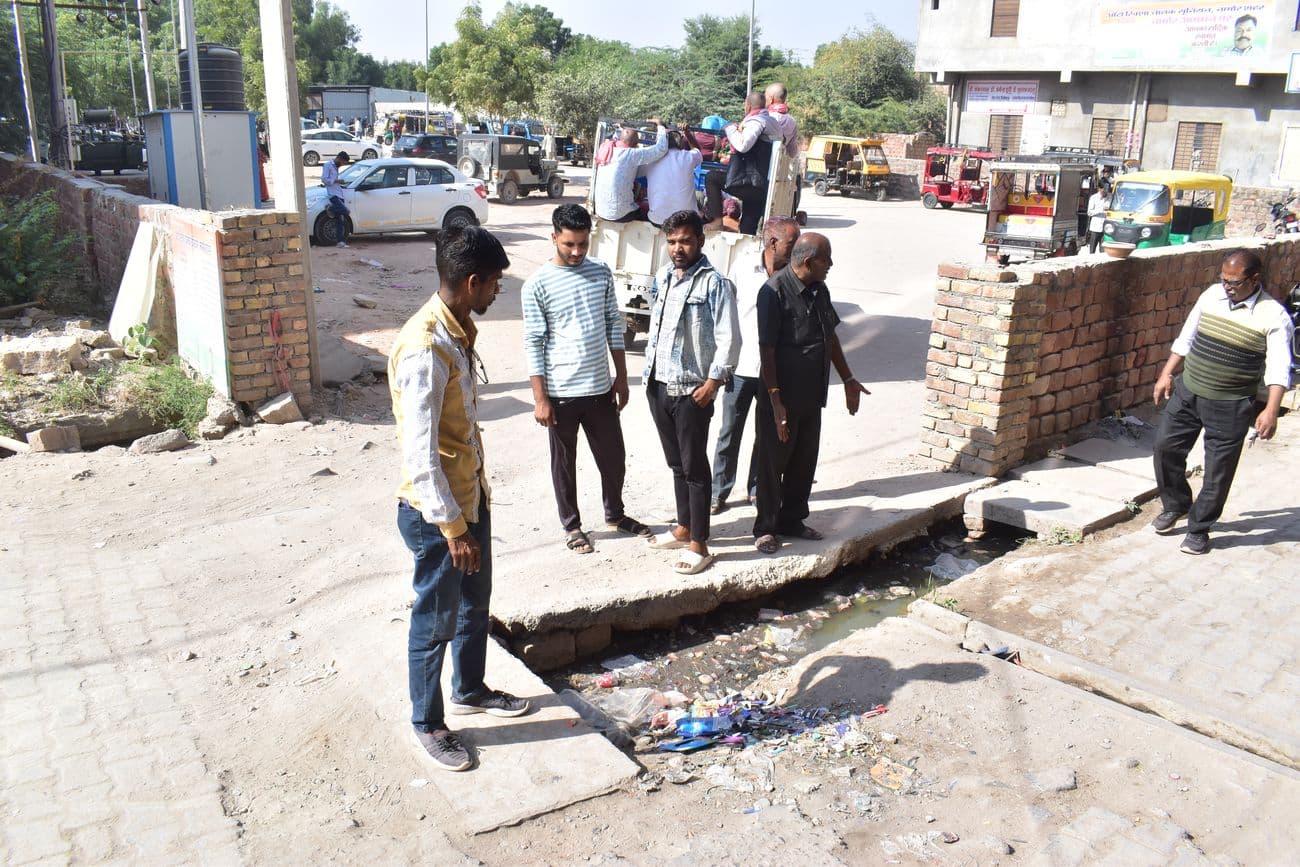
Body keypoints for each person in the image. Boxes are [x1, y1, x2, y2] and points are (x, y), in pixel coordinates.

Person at [388, 226, 531, 774]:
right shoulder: (425, 348)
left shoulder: (458, 329)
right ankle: (428, 722)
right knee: (435, 617)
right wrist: (453, 529)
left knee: (475, 604)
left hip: (472, 497)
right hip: (438, 516)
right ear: (472, 282)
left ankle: (470, 687)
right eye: (494, 283)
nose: (498, 291)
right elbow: (420, 456)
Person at [522, 204, 653, 554]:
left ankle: (616, 513)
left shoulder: (601, 273)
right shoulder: (537, 284)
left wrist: (621, 378)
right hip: (560, 394)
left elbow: (614, 324)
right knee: (564, 465)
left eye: (583, 244)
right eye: (569, 245)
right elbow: (533, 342)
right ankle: (573, 525)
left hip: (600, 390)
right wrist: (540, 398)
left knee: (614, 458)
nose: (577, 252)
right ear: (554, 238)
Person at [1150, 249, 1293, 555]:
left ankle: (1199, 528)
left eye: (1235, 282)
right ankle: (1175, 504)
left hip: (1231, 403)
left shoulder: (1273, 316)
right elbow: (1186, 338)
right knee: (1165, 447)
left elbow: (1279, 368)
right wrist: (1166, 375)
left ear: (1254, 279)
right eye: (1224, 279)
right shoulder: (1211, 296)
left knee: (1218, 471)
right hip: (1189, 390)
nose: (1228, 286)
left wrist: (1271, 410)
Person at [753, 234, 870, 554]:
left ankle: (792, 519)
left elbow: (828, 336)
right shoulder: (773, 292)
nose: (830, 265)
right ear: (807, 261)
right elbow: (767, 350)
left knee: (803, 461)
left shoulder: (820, 289)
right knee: (771, 462)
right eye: (826, 259)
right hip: (781, 397)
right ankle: (765, 527)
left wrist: (848, 378)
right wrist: (776, 402)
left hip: (811, 394)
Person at [643, 209, 740, 574]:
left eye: (684, 240)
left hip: (692, 391)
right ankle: (684, 527)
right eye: (671, 241)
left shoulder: (715, 284)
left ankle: (700, 543)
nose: (677, 248)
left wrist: (714, 383)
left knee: (695, 468)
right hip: (658, 384)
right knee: (676, 464)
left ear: (700, 240)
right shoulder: (664, 277)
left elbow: (729, 338)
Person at [710, 216, 800, 515]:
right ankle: (718, 491)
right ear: (773, 242)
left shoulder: (795, 275)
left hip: (776, 372)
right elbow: (724, 314)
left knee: (767, 434)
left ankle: (757, 488)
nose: (797, 247)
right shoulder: (743, 267)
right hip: (741, 367)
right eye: (792, 242)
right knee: (729, 432)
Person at [704, 93, 779, 235]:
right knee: (747, 230)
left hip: (750, 182)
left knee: (711, 178)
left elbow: (742, 145)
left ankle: (717, 221)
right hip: (762, 185)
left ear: (748, 105)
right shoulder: (773, 123)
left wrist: (730, 128)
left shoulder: (757, 121)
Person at [594, 121, 669, 221]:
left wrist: (621, 128)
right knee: (649, 213)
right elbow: (661, 149)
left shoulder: (609, 149)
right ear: (635, 144)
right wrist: (660, 126)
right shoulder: (631, 154)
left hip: (600, 210)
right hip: (619, 214)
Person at [643, 125, 704, 226]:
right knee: (700, 196)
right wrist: (688, 133)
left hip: (658, 221)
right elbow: (697, 150)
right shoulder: (687, 156)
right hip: (686, 221)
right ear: (680, 143)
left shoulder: (650, 159)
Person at [320, 152, 350, 248]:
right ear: (339, 158)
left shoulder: (336, 167)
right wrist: (336, 181)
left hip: (339, 193)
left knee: (340, 220)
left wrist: (338, 182)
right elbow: (324, 179)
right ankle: (331, 209)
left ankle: (340, 242)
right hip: (333, 194)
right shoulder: (328, 165)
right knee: (346, 211)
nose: (342, 164)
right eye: (343, 162)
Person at [1086, 182, 1112, 254]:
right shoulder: (1094, 198)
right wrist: (1101, 210)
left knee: (1103, 250)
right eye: (1104, 190)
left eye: (1107, 190)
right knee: (1092, 250)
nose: (1105, 192)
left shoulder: (1110, 197)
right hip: (1096, 227)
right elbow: (1089, 212)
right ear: (1099, 189)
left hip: (1106, 227)